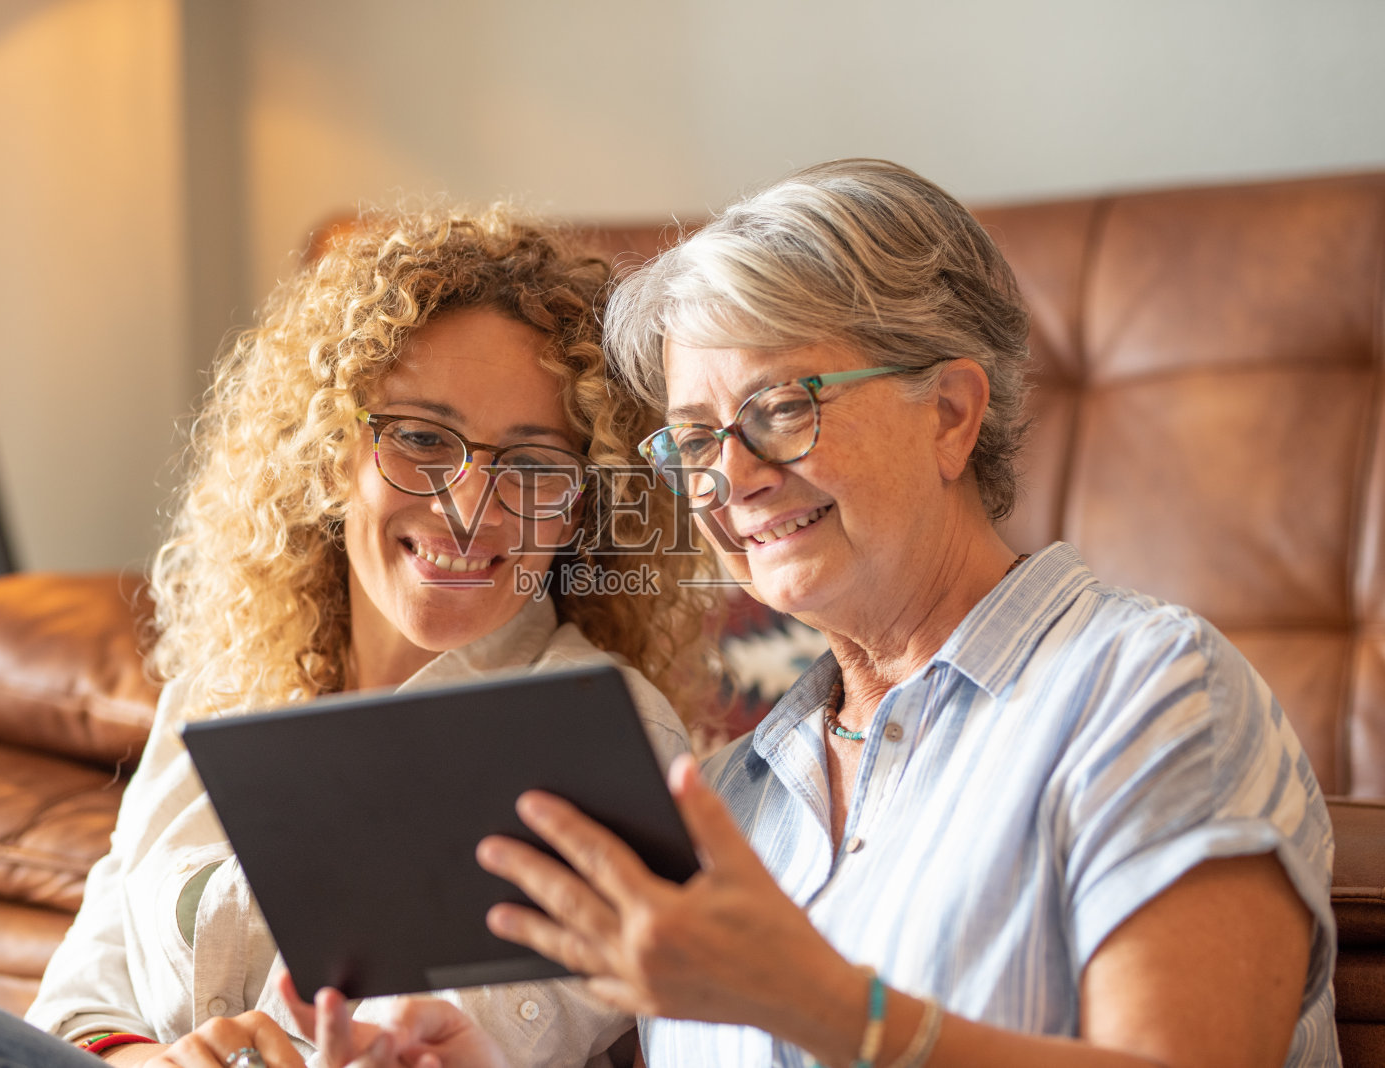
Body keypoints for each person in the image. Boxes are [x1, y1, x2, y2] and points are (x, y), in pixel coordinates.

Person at [310, 159, 1340, 1066]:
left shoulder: (1150, 694)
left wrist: (820, 1005)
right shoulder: (724, 803)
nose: (732, 479)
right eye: (695, 438)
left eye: (779, 409)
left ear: (949, 415)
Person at [0, 203, 712, 1068]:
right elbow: (81, 1000)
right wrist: (156, 1059)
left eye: (533, 462)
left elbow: (475, 1035)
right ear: (330, 453)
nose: (469, 504)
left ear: (579, 503)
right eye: (423, 440)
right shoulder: (223, 687)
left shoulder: (598, 731)